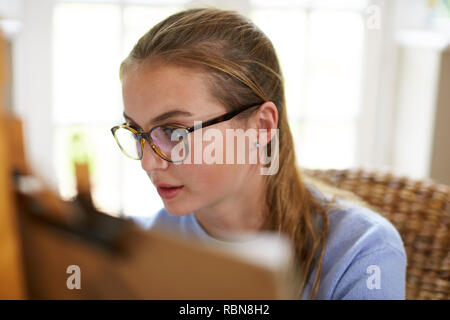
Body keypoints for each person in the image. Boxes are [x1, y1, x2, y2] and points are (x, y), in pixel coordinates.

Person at [112, 7, 406, 299]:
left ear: (261, 126)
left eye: (174, 132)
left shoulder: (361, 254)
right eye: (137, 132)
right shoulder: (141, 245)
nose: (147, 161)